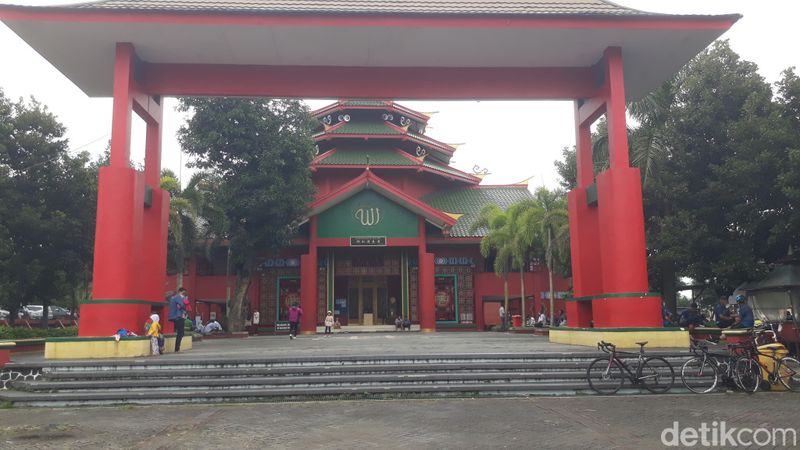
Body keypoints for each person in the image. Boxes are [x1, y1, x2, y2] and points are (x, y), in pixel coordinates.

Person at [168, 287, 187, 352]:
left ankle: (177, 348)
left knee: (180, 333)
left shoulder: (173, 298)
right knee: (181, 333)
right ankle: (177, 348)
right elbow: (183, 305)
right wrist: (185, 300)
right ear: (180, 292)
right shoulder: (178, 297)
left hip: (175, 317)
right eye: (183, 293)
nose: (184, 294)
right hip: (178, 317)